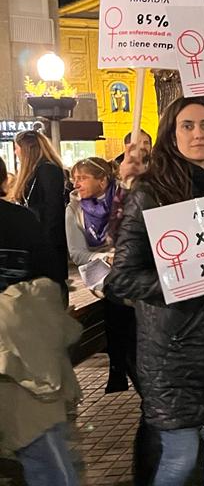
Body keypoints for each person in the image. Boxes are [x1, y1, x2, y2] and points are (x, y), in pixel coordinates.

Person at [104, 97, 204, 486]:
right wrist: (188, 280)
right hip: (173, 351)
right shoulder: (150, 194)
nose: (198, 133)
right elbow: (121, 280)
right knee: (180, 457)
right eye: (187, 126)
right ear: (172, 134)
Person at [0, 156, 81, 486]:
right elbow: (52, 275)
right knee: (43, 450)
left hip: (16, 351)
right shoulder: (20, 220)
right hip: (22, 355)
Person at [65, 157, 136, 393]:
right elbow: (77, 253)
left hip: (135, 272)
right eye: (74, 178)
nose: (76, 184)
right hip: (106, 278)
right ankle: (121, 370)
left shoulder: (127, 199)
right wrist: (106, 257)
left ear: (103, 180)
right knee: (119, 321)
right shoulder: (74, 209)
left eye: (83, 178)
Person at [9, 130, 69, 297]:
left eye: (17, 148)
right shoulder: (37, 171)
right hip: (40, 246)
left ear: (28, 149)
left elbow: (53, 212)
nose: (15, 152)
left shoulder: (47, 170)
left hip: (47, 248)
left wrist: (44, 247)